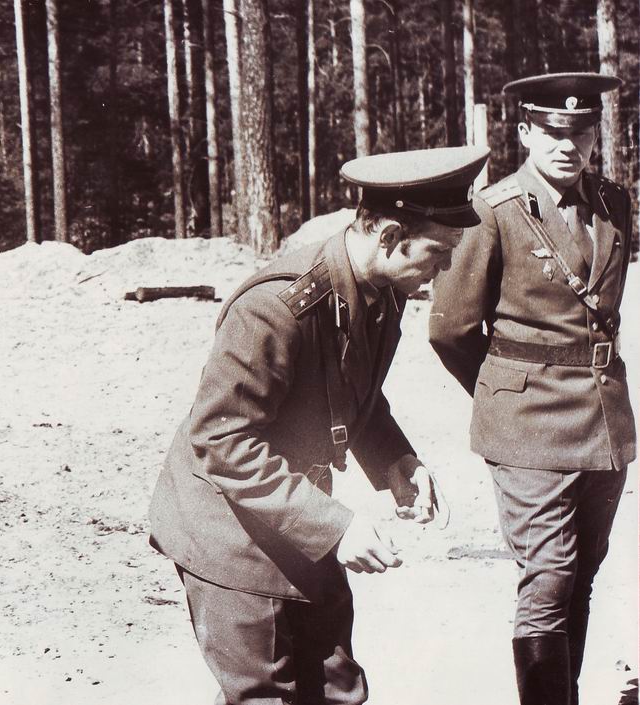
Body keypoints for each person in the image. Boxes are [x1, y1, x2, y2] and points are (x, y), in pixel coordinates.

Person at [149, 145, 490, 704]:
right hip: (230, 531)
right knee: (265, 693)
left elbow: (351, 388)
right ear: (388, 237)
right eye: (438, 252)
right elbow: (221, 439)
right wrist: (335, 527)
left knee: (337, 687)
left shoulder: (382, 288)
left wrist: (395, 461)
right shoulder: (276, 308)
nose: (446, 268)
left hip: (295, 515)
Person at [429, 73, 634, 705]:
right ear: (524, 133)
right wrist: (505, 393)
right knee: (547, 576)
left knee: (581, 575)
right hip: (527, 426)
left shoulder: (615, 202)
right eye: (551, 132)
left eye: (581, 132)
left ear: (595, 135)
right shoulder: (492, 212)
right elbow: (450, 328)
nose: (567, 145)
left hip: (602, 420)